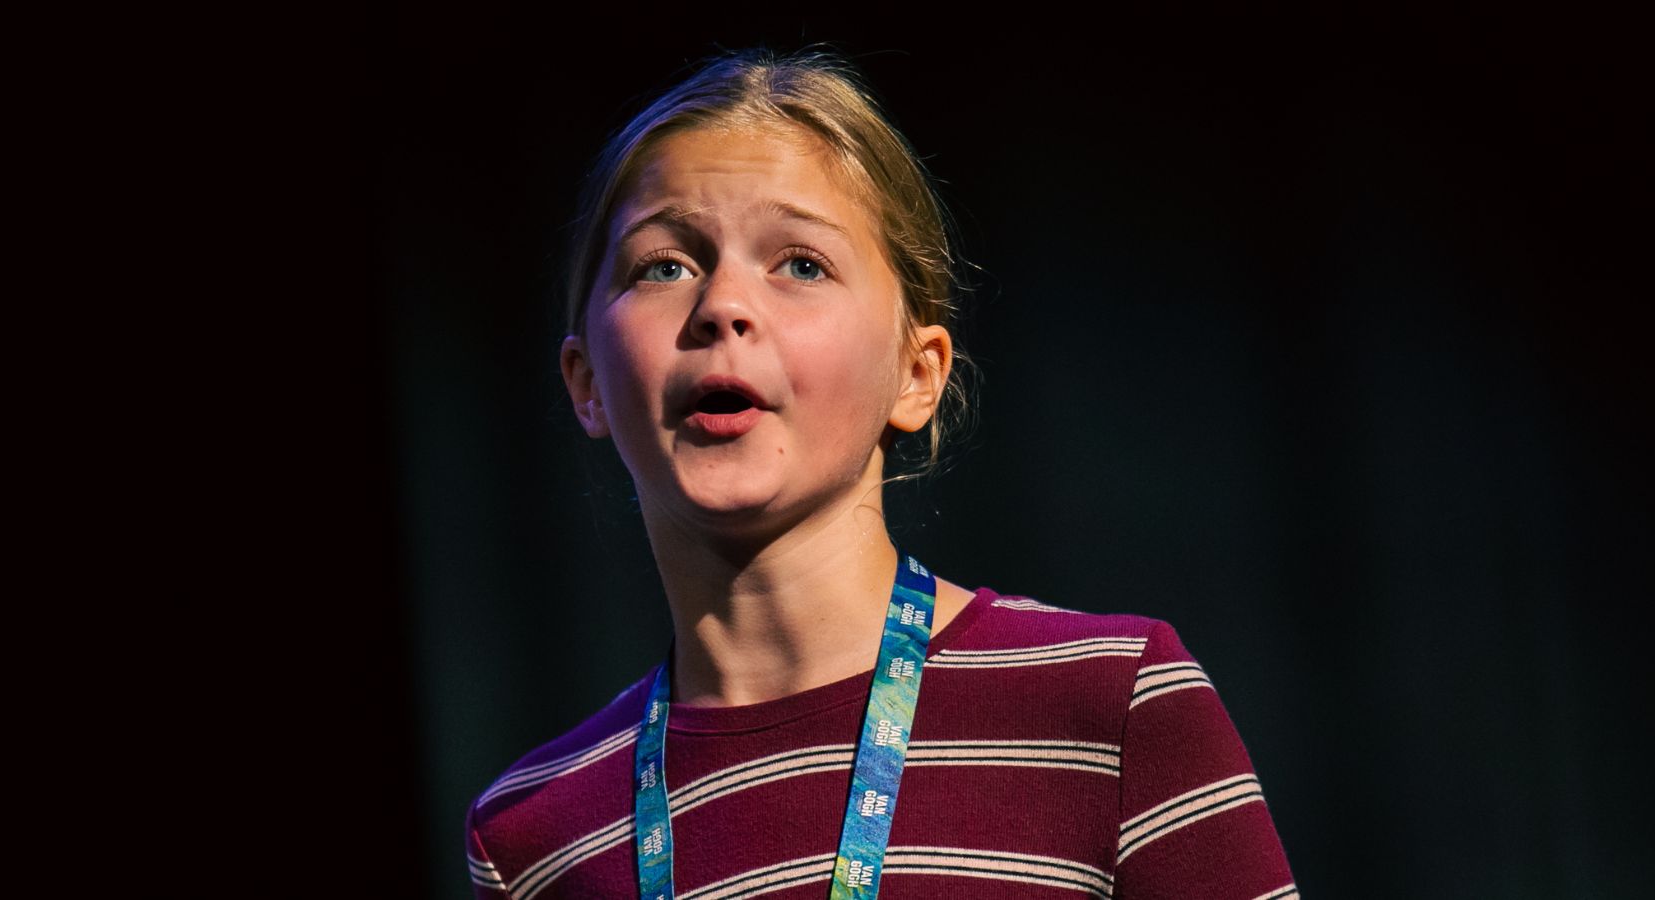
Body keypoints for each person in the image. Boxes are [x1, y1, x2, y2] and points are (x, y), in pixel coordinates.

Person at [466, 46, 1298, 899]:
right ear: (586, 384)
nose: (722, 306)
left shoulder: (1111, 706)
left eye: (801, 264)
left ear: (916, 373)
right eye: (664, 266)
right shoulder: (532, 834)